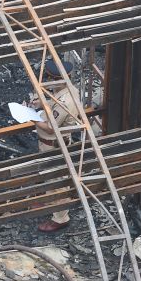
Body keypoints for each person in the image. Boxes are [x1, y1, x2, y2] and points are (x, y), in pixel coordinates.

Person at [31, 61, 83, 233]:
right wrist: (41, 103)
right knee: (48, 175)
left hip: (55, 146)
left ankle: (61, 218)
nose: (47, 82)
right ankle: (48, 200)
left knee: (57, 181)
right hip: (48, 145)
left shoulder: (65, 101)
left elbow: (50, 128)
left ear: (59, 79)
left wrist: (31, 117)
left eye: (50, 79)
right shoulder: (65, 90)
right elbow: (52, 102)